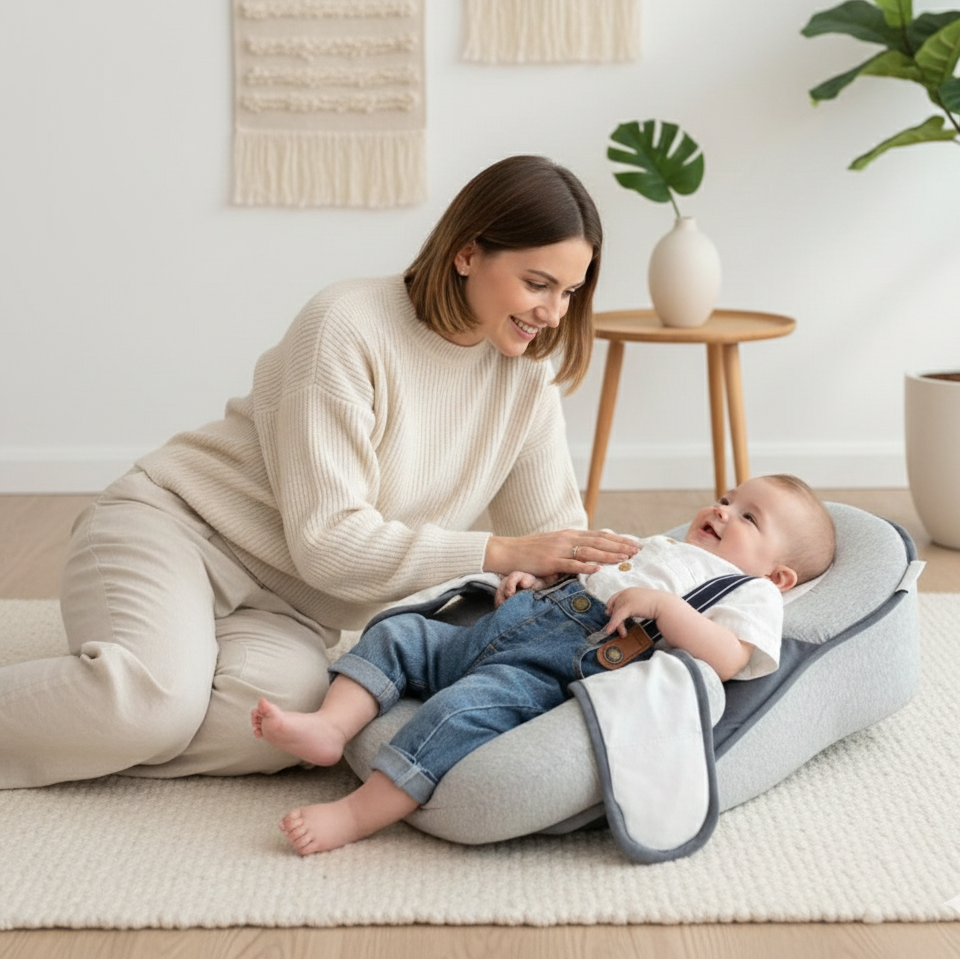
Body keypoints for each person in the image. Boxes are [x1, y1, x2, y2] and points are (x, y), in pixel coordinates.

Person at [1, 156, 639, 789]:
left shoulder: (526, 380)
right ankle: (147, 701)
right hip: (177, 533)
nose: (554, 314)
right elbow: (330, 545)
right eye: (538, 284)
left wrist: (598, 587)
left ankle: (137, 704)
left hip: (288, 611)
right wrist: (501, 552)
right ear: (468, 253)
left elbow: (553, 540)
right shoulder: (348, 322)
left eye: (570, 292)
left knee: (291, 727)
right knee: (150, 707)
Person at [251, 474, 836, 855]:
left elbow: (731, 658)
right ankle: (331, 726)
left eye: (749, 519)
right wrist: (533, 580)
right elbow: (579, 572)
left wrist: (664, 608)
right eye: (729, 498)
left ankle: (355, 816)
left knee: (459, 711)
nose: (724, 510)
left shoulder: (746, 591)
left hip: (546, 670)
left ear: (779, 576)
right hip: (500, 628)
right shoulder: (654, 546)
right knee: (401, 634)